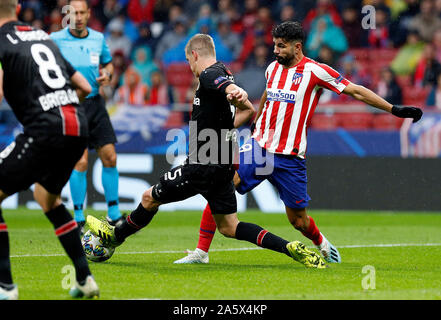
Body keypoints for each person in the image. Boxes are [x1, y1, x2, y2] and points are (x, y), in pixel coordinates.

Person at [174, 21, 423, 265]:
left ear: (297, 46)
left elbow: (355, 90)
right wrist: (257, 121)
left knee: (299, 221)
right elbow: (267, 96)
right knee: (222, 184)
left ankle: (321, 242)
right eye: (274, 45)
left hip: (290, 157)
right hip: (259, 147)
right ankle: (201, 252)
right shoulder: (272, 69)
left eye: (281, 46)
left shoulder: (316, 71)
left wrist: (393, 109)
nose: (275, 51)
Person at [87, 33, 328, 270]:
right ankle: (289, 247)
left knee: (149, 198)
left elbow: (227, 89)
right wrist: (225, 120)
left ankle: (114, 238)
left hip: (202, 165)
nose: (189, 67)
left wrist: (236, 91)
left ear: (194, 55)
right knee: (229, 227)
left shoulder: (210, 74)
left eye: (188, 61)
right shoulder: (224, 69)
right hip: (222, 165)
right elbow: (248, 111)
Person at [0, 0, 99, 299]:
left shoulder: (2, 42)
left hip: (44, 129)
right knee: (47, 198)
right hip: (77, 126)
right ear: (17, 9)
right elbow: (83, 86)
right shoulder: (43, 36)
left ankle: (5, 287)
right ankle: (84, 279)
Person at [51, 0, 123, 234]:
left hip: (96, 104)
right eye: (74, 13)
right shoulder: (55, 40)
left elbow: (108, 65)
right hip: (72, 105)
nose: (79, 17)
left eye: (82, 12)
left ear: (89, 14)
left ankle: (114, 214)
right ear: (68, 14)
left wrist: (108, 75)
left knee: (110, 157)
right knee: (80, 161)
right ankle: (79, 216)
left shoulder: (98, 39)